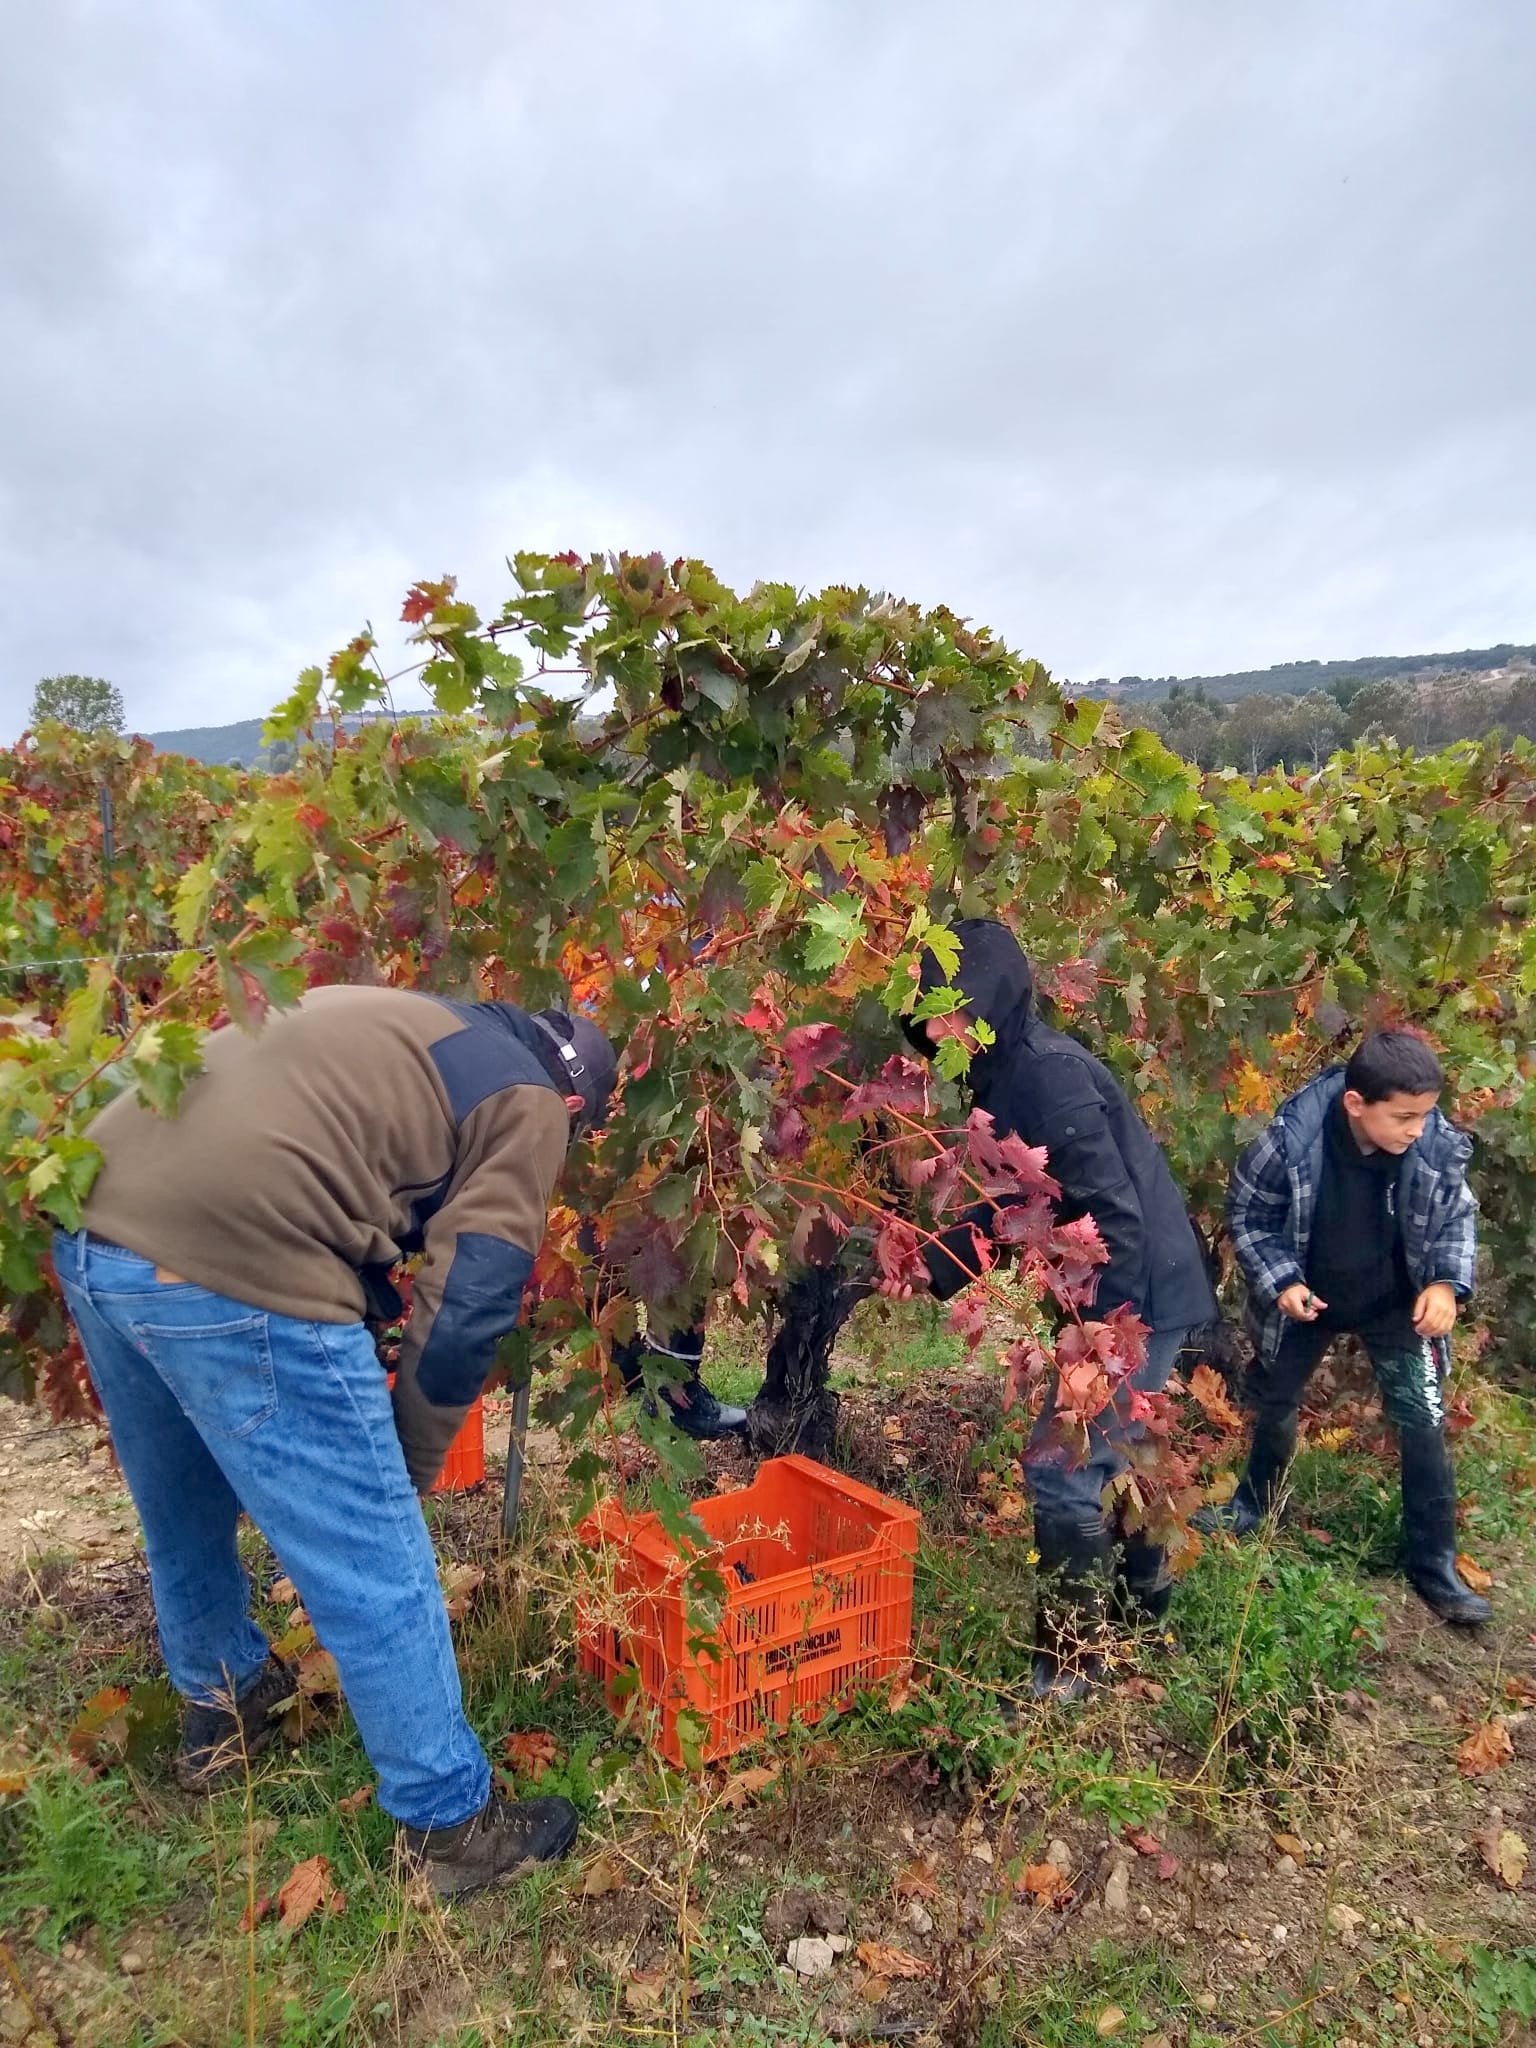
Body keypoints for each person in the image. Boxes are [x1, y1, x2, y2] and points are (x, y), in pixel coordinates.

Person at [51, 985, 617, 1896]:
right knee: (374, 1557)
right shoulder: (537, 1100)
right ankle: (450, 1827)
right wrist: (408, 1467)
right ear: (579, 1101)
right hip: (239, 1253)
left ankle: (225, 1707)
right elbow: (472, 1299)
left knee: (184, 1512)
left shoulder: (406, 1019)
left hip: (94, 1225)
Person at [899, 920, 1217, 1700]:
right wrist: (933, 1265)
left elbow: (1116, 1218)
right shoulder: (1000, 1076)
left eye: (947, 1011)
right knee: (1129, 1453)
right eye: (925, 1014)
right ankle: (1149, 1606)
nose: (935, 1030)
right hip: (1141, 1288)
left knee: (1063, 1471)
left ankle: (1071, 1666)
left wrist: (1097, 1347)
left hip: (1136, 1292)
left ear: (987, 1002)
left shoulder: (1046, 1077)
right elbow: (1017, 1205)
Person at [1196, 1031, 1489, 1625]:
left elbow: (1457, 1215)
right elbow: (1250, 1214)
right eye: (1403, 1117)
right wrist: (1282, 1280)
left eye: (1425, 1115)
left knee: (1422, 1418)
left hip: (1394, 1301)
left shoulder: (1430, 1144)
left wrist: (1443, 1285)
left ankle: (1434, 1560)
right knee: (1275, 1400)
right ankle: (1253, 1506)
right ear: (1357, 1104)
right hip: (1310, 1296)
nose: (1416, 1129)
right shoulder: (1292, 1141)